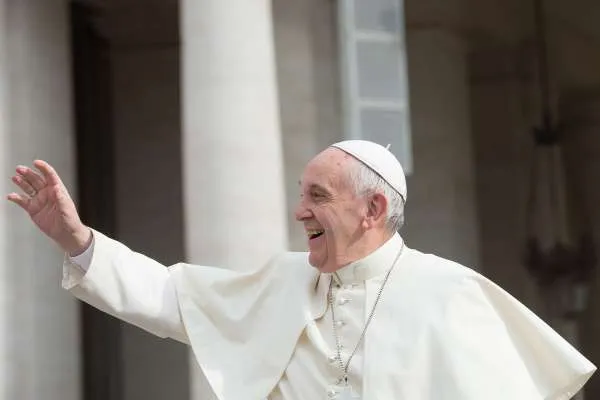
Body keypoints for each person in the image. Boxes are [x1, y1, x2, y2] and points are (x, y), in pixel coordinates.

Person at [7, 140, 596, 400]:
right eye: (301, 193)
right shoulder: (281, 282)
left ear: (373, 209)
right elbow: (168, 297)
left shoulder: (453, 295)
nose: (299, 211)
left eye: (318, 195)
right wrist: (76, 238)